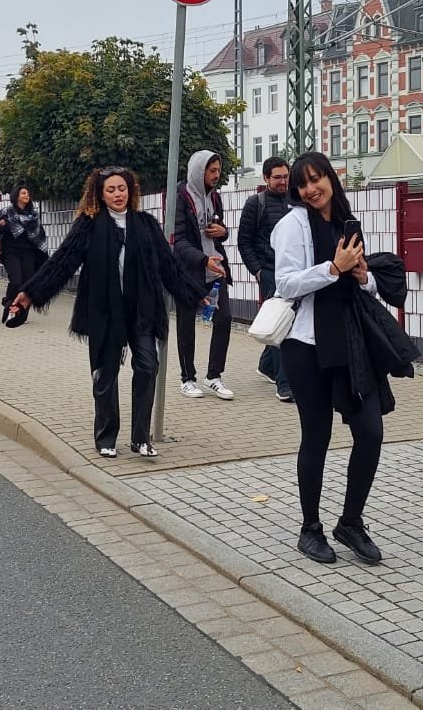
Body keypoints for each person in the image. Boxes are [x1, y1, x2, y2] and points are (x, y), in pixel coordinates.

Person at [10, 167, 207, 459]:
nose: (118, 194)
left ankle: (141, 438)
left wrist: (194, 294)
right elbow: (62, 262)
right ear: (100, 195)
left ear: (131, 191)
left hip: (141, 310)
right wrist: (30, 294)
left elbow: (169, 265)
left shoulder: (146, 224)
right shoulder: (89, 225)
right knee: (106, 375)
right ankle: (106, 437)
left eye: (122, 189)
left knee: (148, 366)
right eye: (111, 190)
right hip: (105, 312)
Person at [272, 152, 400, 566]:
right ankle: (310, 529)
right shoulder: (292, 225)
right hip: (306, 344)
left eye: (317, 179)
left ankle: (351, 522)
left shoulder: (346, 220)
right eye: (303, 183)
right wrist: (332, 268)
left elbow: (360, 283)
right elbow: (285, 284)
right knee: (317, 437)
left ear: (331, 178)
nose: (311, 189)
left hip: (349, 342)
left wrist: (364, 277)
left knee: (371, 433)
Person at [171, 150, 234, 400]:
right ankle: (187, 378)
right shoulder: (181, 197)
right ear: (199, 171)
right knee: (186, 325)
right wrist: (203, 259)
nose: (216, 175)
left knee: (224, 318)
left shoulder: (215, 197)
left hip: (215, 271)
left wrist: (223, 232)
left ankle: (214, 376)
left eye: (218, 170)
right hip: (188, 273)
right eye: (212, 170)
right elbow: (178, 241)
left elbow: (219, 231)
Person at [239, 156, 295, 402]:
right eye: (277, 177)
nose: (283, 181)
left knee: (281, 323)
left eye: (286, 176)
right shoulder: (256, 203)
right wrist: (258, 271)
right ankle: (285, 385)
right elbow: (244, 242)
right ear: (266, 178)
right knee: (282, 325)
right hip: (270, 272)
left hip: (293, 272)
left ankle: (267, 366)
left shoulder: (296, 200)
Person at [0, 185, 49, 324]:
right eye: (23, 193)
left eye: (28, 193)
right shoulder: (7, 212)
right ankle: (8, 304)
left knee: (27, 284)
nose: (26, 195)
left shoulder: (33, 214)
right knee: (16, 281)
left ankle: (22, 313)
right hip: (11, 252)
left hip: (29, 252)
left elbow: (39, 234)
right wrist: (5, 225)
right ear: (16, 196)